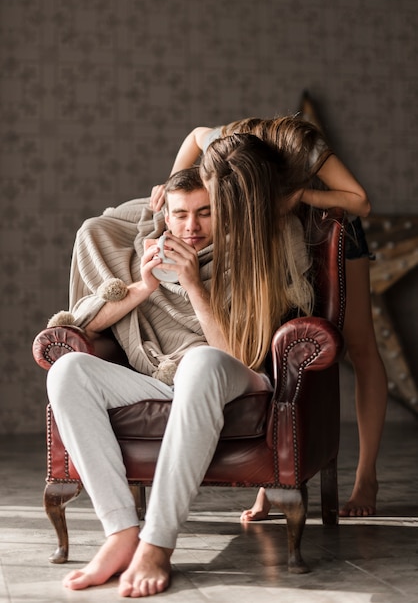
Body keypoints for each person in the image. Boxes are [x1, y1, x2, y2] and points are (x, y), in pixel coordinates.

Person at [46, 135, 314, 597]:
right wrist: (143, 288)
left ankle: (157, 543)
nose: (191, 227)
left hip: (230, 374)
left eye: (205, 212)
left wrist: (193, 286)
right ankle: (121, 533)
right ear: (164, 216)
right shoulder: (150, 249)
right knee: (66, 371)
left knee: (201, 363)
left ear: (225, 210)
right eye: (180, 214)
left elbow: (238, 356)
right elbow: (88, 322)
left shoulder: (256, 249)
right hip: (165, 378)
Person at [150, 117, 388, 519]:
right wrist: (172, 185)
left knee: (361, 347)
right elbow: (193, 136)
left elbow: (359, 200)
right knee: (272, 339)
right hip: (269, 228)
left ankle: (367, 476)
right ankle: (270, 482)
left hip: (331, 229)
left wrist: (299, 197)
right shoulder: (221, 145)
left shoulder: (302, 146)